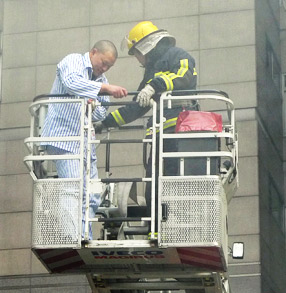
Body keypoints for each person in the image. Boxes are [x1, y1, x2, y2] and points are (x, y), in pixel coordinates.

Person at [97, 22, 198, 225]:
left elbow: (184, 76)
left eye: (135, 53)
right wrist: (105, 123)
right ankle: (156, 228)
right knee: (153, 184)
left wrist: (155, 86)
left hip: (180, 134)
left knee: (175, 182)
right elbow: (137, 107)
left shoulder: (178, 55)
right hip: (160, 137)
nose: (137, 58)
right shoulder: (151, 71)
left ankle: (173, 226)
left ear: (144, 46)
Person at [41, 40, 128, 238]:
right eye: (103, 63)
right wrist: (104, 89)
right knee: (73, 189)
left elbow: (102, 112)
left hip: (85, 142)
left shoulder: (101, 78)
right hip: (64, 137)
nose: (104, 68)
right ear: (93, 52)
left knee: (93, 193)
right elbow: (72, 83)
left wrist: (93, 103)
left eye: (109, 66)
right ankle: (73, 237)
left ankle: (83, 235)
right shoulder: (73, 61)